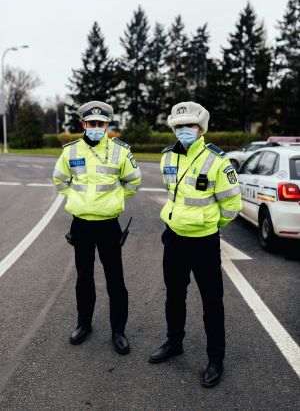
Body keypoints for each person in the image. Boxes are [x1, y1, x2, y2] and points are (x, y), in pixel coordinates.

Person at [149, 102, 242, 387]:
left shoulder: (217, 161)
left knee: (211, 302)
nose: (184, 131)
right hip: (174, 238)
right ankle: (174, 342)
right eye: (179, 127)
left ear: (201, 128)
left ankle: (216, 359)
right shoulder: (167, 158)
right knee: (174, 295)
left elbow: (232, 205)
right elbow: (172, 195)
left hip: (203, 242)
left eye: (189, 126)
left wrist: (210, 225)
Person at [52, 101, 141, 355]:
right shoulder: (70, 151)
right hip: (81, 225)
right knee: (84, 278)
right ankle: (84, 324)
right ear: (83, 124)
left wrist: (116, 200)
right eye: (92, 124)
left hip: (108, 225)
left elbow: (134, 181)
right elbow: (59, 179)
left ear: (107, 126)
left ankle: (118, 331)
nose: (96, 128)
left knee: (116, 280)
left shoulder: (120, 151)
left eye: (101, 124)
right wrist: (73, 199)